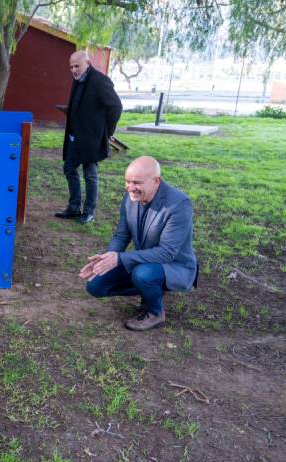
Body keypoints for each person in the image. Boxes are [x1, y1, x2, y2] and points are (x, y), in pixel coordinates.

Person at [79, 156, 197, 331]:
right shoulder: (130, 197)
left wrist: (119, 259)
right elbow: (121, 235)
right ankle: (150, 290)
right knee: (95, 285)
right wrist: (106, 259)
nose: (130, 188)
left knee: (143, 275)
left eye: (137, 183)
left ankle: (156, 313)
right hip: (143, 261)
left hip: (174, 265)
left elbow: (167, 253)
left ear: (156, 181)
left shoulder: (179, 204)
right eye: (127, 181)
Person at [56, 51, 122, 224]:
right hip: (74, 136)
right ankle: (73, 208)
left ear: (88, 63)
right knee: (69, 169)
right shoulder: (78, 80)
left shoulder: (100, 81)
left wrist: (107, 132)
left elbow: (116, 107)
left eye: (77, 66)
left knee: (90, 174)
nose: (73, 70)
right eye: (71, 67)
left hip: (92, 137)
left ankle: (89, 211)